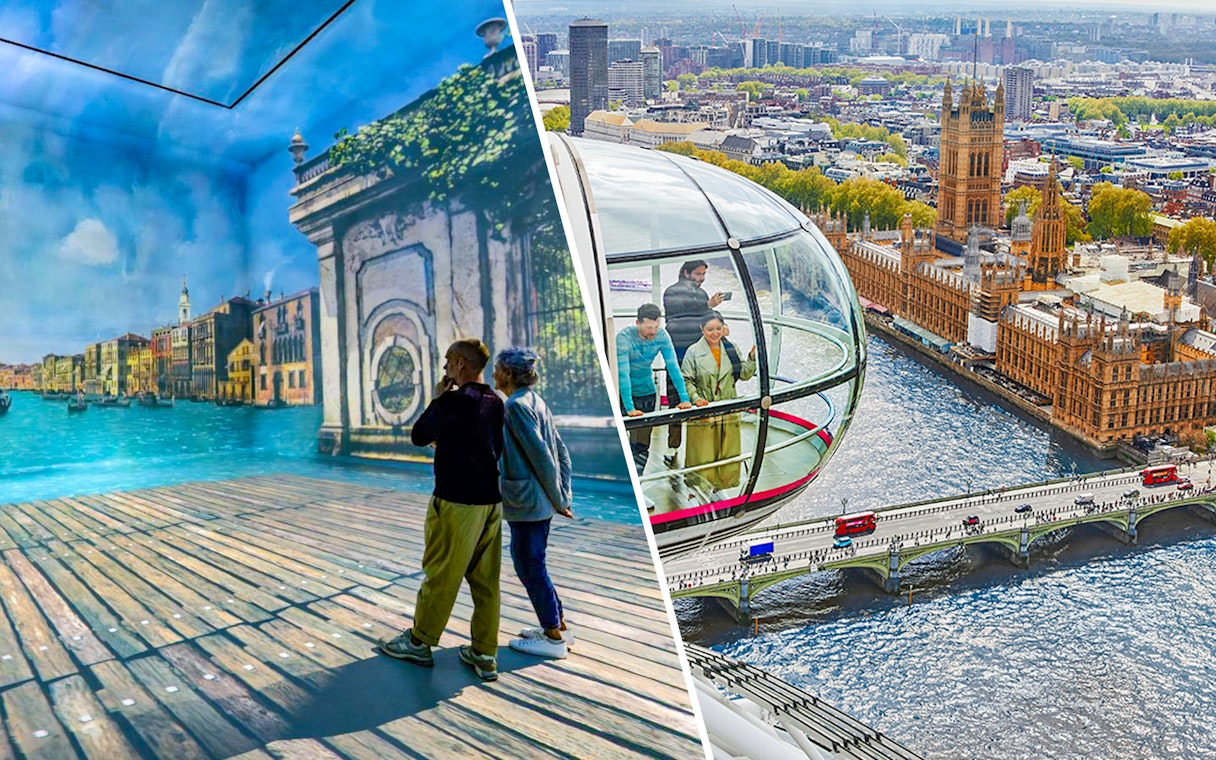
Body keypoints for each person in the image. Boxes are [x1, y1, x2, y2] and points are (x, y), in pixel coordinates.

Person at [378, 339, 505, 682]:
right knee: (486, 582)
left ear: (461, 365)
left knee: (440, 574)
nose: (445, 368)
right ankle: (484, 652)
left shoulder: (452, 401)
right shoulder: (496, 402)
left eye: (448, 362)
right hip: (491, 503)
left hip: (456, 501)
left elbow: (419, 435)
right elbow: (491, 445)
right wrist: (449, 438)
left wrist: (437, 398)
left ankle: (419, 643)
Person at [493, 348, 575, 660]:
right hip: (537, 501)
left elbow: (542, 456)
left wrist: (559, 500)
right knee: (532, 563)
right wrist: (563, 494)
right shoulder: (536, 401)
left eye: (498, 370)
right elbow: (561, 450)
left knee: (529, 564)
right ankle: (559, 626)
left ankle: (553, 637)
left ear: (509, 374)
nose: (494, 375)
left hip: (529, 502)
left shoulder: (514, 406)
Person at [681, 312, 756, 494]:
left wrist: (752, 358)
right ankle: (700, 486)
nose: (715, 333)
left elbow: (744, 375)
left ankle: (725, 483)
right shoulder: (693, 351)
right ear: (702, 329)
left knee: (727, 448)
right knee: (704, 451)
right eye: (710, 329)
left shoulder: (731, 348)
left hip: (728, 406)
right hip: (704, 407)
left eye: (718, 328)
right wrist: (696, 399)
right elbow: (686, 380)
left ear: (724, 328)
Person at [663, 260, 726, 465]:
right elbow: (679, 312)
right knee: (677, 399)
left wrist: (720, 324)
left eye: (704, 275)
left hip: (698, 353)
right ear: (686, 272)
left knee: (701, 397)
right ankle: (673, 448)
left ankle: (700, 448)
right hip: (678, 353)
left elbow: (707, 318)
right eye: (698, 274)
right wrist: (707, 306)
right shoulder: (672, 292)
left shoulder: (701, 294)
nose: (701, 278)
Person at [615, 303, 691, 472]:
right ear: (638, 323)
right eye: (649, 327)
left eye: (656, 326)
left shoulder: (662, 335)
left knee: (641, 444)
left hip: (647, 393)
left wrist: (684, 398)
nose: (653, 331)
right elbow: (623, 374)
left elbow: (673, 367)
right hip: (624, 395)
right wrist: (629, 408)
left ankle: (638, 478)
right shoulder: (623, 338)